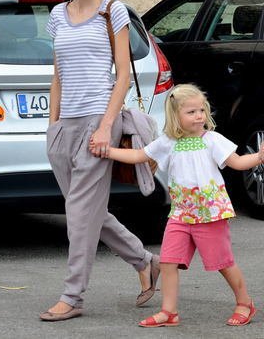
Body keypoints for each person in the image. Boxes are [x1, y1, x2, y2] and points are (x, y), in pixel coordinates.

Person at [40, 0, 160, 322]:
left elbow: (123, 74)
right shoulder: (58, 14)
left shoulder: (113, 11)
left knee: (77, 213)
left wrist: (107, 126)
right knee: (89, 211)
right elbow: (58, 73)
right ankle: (146, 262)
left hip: (98, 122)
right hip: (65, 128)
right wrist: (52, 126)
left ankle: (73, 297)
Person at [91, 83, 264, 327]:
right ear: (175, 116)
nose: (199, 116)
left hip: (210, 214)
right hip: (180, 214)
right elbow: (139, 156)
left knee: (222, 262)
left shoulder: (212, 140)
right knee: (168, 262)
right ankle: (169, 312)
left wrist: (258, 157)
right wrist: (108, 152)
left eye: (201, 111)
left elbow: (236, 162)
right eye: (191, 112)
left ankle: (245, 303)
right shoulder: (167, 142)